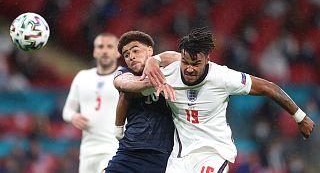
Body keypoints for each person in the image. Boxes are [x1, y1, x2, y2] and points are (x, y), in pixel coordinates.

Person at [119, 28, 315, 172]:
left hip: (214, 153)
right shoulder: (168, 75)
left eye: (196, 64)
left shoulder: (222, 77)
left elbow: (268, 88)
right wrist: (149, 74)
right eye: (185, 62)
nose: (189, 69)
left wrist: (300, 116)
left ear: (207, 60)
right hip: (180, 157)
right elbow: (126, 89)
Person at [104, 31, 175, 173]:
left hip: (162, 155)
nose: (131, 56)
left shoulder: (169, 70)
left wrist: (155, 61)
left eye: (135, 50)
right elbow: (124, 84)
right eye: (126, 55)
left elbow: (182, 58)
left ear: (150, 50)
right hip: (129, 151)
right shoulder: (123, 72)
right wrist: (156, 82)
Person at [62, 33, 121, 173]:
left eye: (110, 46)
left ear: (118, 52)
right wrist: (73, 117)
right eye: (101, 46)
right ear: (95, 51)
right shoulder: (83, 77)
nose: (105, 50)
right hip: (87, 151)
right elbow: (67, 110)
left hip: (114, 148)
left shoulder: (124, 77)